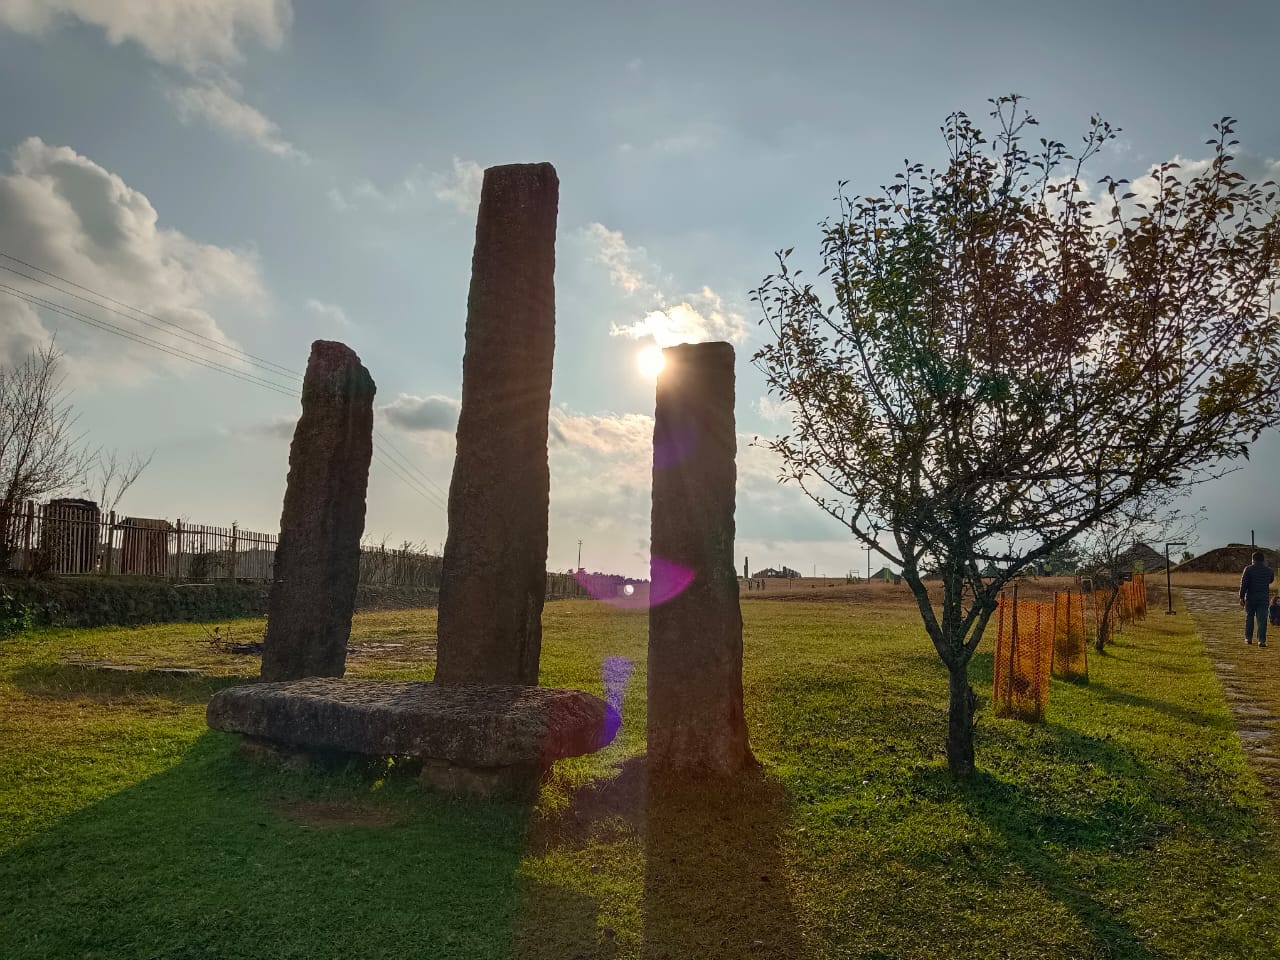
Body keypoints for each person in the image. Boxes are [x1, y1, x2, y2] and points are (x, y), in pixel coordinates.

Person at [1238, 550, 1274, 647]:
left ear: (1253, 559)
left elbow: (1243, 584)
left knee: (1249, 617)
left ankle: (1248, 638)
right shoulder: (1269, 570)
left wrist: (1241, 597)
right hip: (1263, 598)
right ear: (1263, 560)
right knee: (1262, 619)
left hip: (1250, 597)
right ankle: (1261, 641)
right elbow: (1270, 580)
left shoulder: (1248, 569)